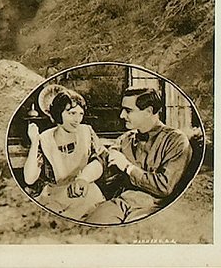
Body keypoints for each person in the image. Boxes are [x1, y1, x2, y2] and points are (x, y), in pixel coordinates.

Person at [85, 87, 192, 224]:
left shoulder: (176, 140)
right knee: (90, 227)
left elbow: (164, 187)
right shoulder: (126, 139)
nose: (122, 115)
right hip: (121, 203)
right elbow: (103, 161)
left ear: (148, 112)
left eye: (128, 110)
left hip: (156, 208)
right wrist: (83, 178)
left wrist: (128, 167)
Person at [23, 86, 107, 220]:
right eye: (72, 113)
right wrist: (34, 142)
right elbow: (29, 178)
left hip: (84, 192)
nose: (77, 120)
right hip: (56, 197)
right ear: (58, 113)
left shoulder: (87, 132)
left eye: (80, 114)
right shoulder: (45, 138)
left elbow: (98, 162)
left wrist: (83, 179)